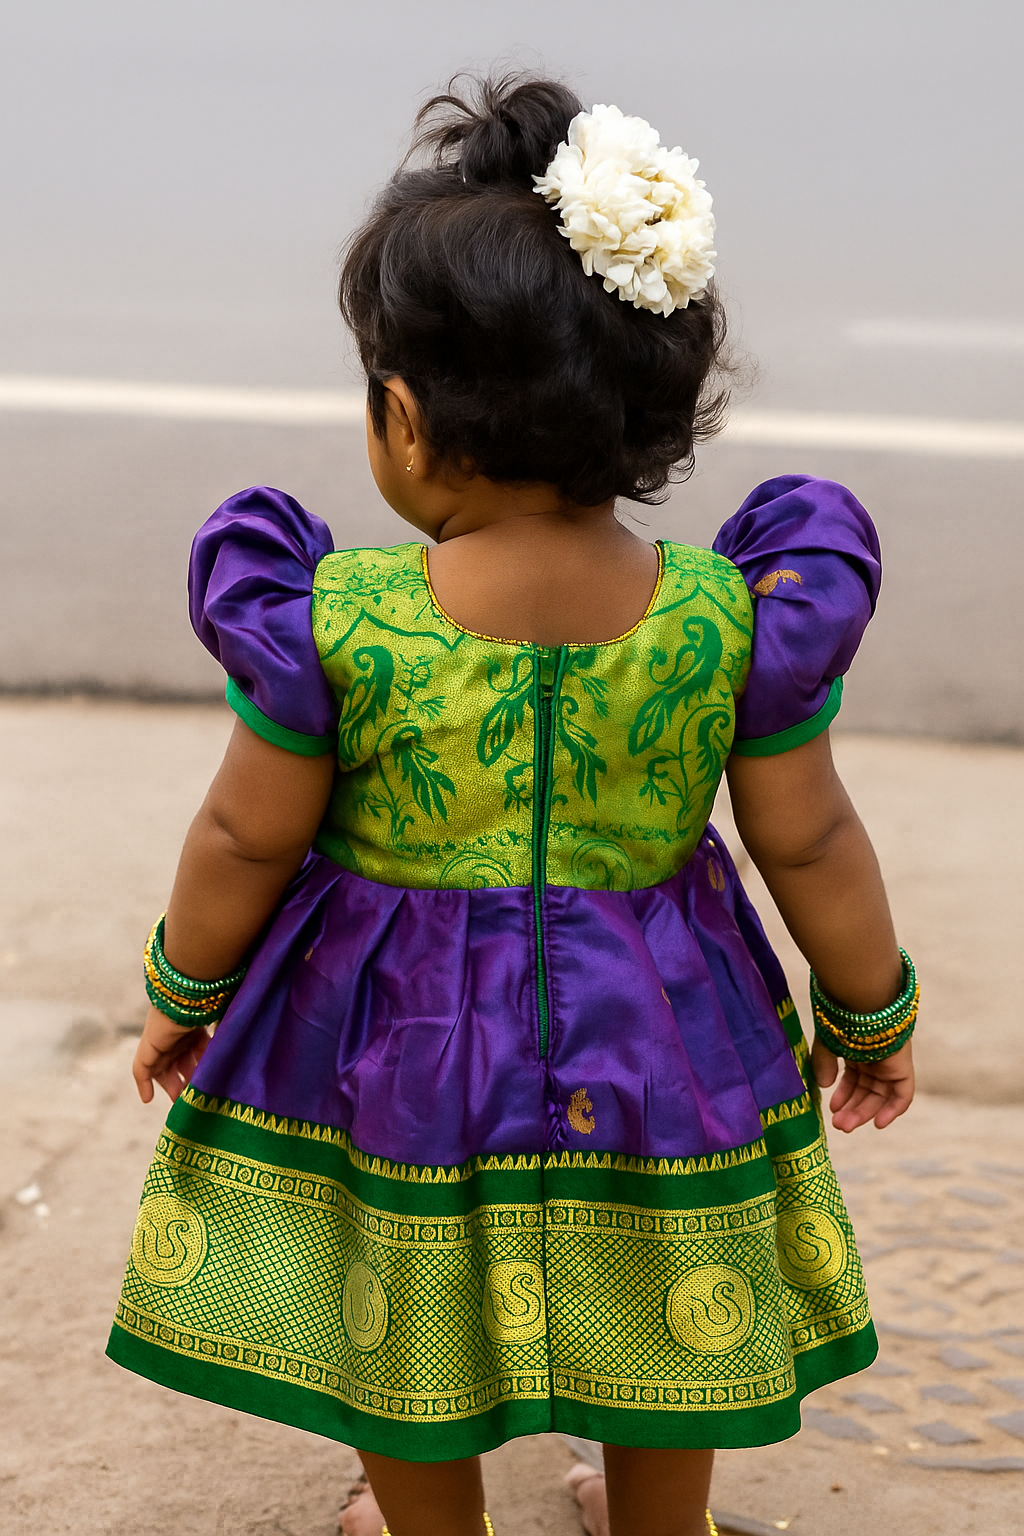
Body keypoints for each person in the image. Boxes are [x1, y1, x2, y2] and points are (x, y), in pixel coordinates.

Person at [107, 73, 917, 1536]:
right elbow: (808, 835)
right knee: (668, 1287)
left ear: (404, 419)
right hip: (661, 1028)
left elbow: (245, 833)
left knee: (398, 1298)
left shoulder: (336, 622)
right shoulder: (729, 616)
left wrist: (184, 987)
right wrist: (871, 1010)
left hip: (401, 1039)